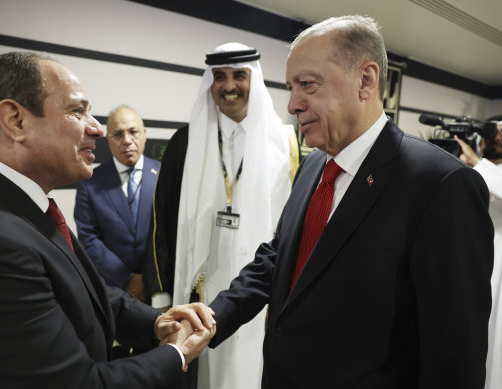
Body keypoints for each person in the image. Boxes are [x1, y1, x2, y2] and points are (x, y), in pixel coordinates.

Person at [207, 15, 493, 389]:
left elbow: (454, 356)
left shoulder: (440, 184)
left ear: (366, 80)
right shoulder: (312, 166)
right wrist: (212, 317)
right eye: (291, 87)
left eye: (307, 85)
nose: (292, 104)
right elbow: (281, 257)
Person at [0, 51, 216, 389]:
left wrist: (157, 320)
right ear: (15, 120)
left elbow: (81, 285)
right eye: (78, 110)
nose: (98, 129)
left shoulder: (12, 201)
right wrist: (176, 353)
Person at [143, 42, 298, 389]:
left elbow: (292, 230)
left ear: (253, 79)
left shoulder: (286, 144)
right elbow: (160, 222)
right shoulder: (185, 142)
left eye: (238, 75)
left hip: (260, 298)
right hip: (197, 292)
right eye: (219, 77)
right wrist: (161, 297)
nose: (228, 86)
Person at [75, 105, 159, 303]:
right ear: (108, 140)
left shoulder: (166, 175)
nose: (127, 141)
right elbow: (89, 238)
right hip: (116, 291)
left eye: (133, 132)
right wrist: (128, 279)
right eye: (117, 134)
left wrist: (153, 278)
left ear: (144, 134)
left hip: (162, 287)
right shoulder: (90, 183)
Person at [454, 124, 502, 389]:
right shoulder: (471, 171)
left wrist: (477, 163)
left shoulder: (484, 170)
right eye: (492, 136)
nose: (496, 140)